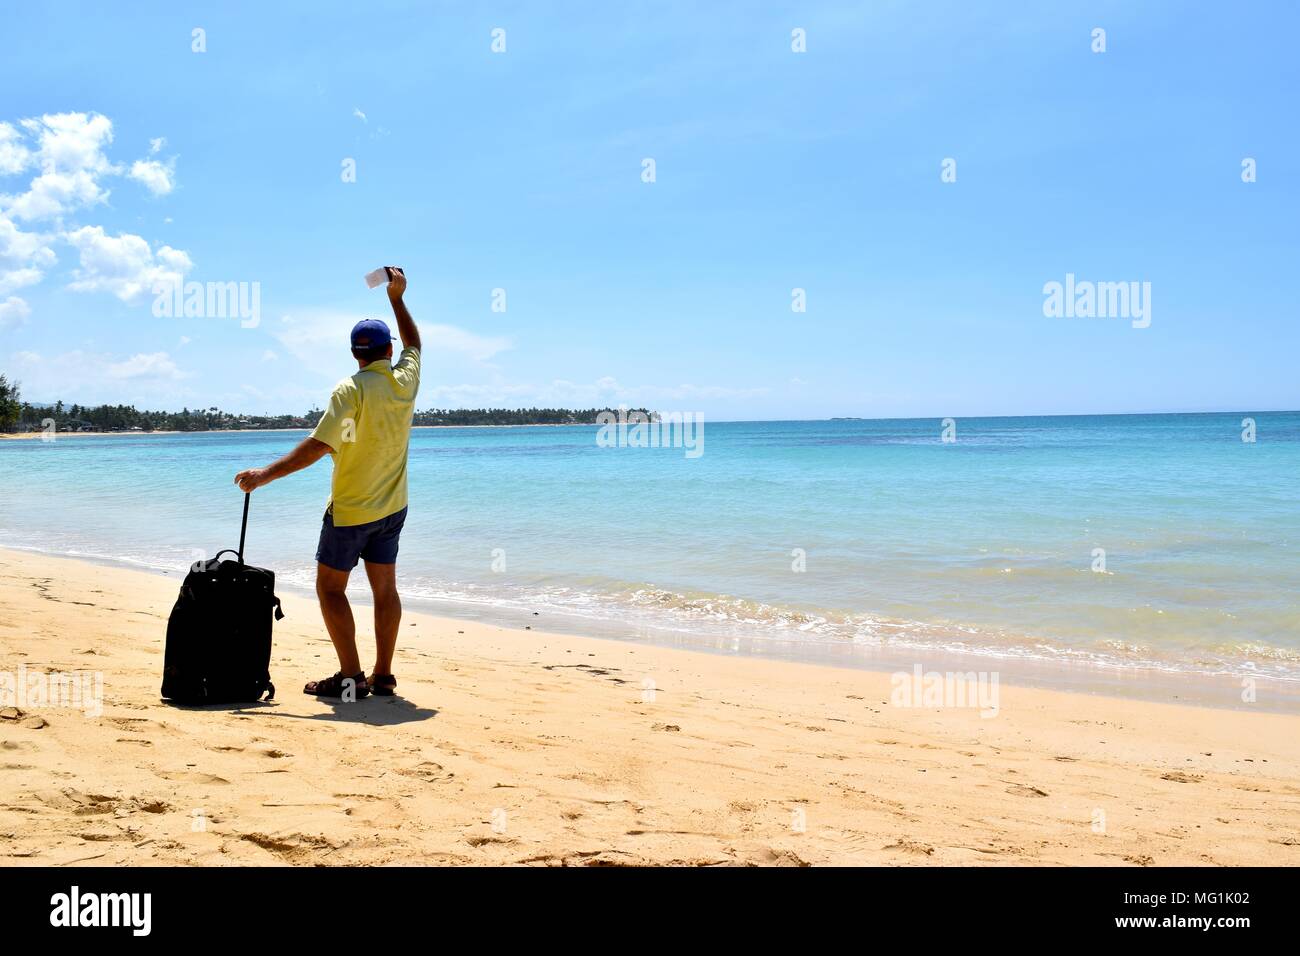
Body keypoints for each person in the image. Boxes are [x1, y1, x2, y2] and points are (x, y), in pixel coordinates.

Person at [234, 267, 420, 700]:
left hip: (352, 511)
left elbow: (318, 445)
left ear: (355, 354)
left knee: (330, 588)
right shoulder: (404, 381)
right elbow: (415, 344)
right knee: (385, 589)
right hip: (393, 509)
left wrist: (263, 476)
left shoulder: (349, 390)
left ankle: (352, 676)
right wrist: (397, 297)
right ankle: (384, 675)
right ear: (387, 350)